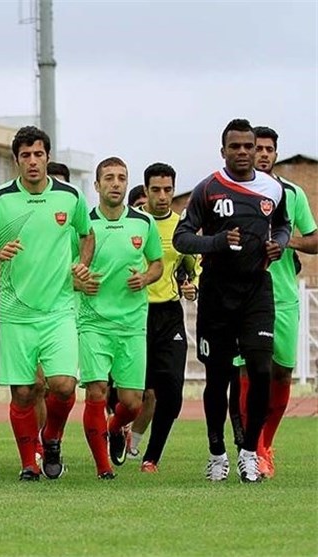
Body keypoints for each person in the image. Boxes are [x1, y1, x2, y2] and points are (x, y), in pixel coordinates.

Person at [0, 126, 94, 481]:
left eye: (38, 154)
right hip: (16, 313)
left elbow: (88, 234)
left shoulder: (70, 196)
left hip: (59, 310)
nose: (33, 161)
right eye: (25, 155)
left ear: (47, 157)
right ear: (16, 160)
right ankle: (28, 463)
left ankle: (52, 437)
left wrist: (82, 264)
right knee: (24, 392)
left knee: (64, 386)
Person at [173, 118, 290, 483]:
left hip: (257, 290)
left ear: (257, 149)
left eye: (248, 146)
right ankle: (216, 453)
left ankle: (250, 452)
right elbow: (182, 238)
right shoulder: (207, 189)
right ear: (223, 150)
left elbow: (283, 225)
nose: (243, 152)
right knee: (218, 377)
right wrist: (218, 242)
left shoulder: (273, 189)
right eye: (235, 146)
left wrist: (280, 243)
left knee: (260, 371)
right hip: (217, 294)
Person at [234, 126, 317, 478]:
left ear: (275, 153)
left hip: (282, 297)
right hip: (242, 296)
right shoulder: (232, 191)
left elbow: (314, 240)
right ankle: (251, 450)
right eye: (258, 148)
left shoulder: (292, 194)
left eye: (269, 149)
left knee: (282, 370)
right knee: (248, 370)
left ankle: (265, 442)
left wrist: (287, 242)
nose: (263, 154)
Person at [77, 157, 163, 479]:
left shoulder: (143, 223)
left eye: (121, 178)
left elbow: (157, 264)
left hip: (131, 324)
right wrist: (79, 280)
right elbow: (69, 271)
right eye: (109, 178)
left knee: (132, 403)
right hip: (93, 322)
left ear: (127, 184)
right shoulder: (84, 226)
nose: (116, 183)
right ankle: (103, 468)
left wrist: (145, 278)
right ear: (97, 185)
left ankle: (115, 428)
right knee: (96, 391)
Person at [123, 163, 199, 472]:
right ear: (146, 191)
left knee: (172, 393)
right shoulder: (133, 224)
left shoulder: (183, 228)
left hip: (169, 314)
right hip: (133, 313)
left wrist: (193, 285)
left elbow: (195, 267)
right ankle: (121, 432)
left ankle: (150, 457)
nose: (163, 195)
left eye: (168, 189)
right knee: (135, 393)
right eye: (156, 190)